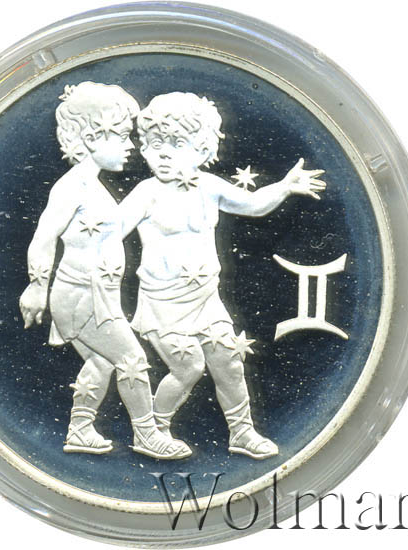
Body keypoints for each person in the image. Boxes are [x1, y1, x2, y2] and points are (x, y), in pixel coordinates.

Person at [119, 92, 326, 459]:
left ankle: (242, 432)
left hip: (204, 298)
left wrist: (284, 186)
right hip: (162, 302)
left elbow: (252, 205)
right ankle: (152, 431)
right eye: (154, 144)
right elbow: (110, 231)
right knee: (188, 366)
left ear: (201, 149)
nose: (163, 153)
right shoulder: (145, 193)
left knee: (229, 361)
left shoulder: (209, 187)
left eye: (176, 144)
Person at [19, 82, 190, 460]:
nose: (131, 146)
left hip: (96, 295)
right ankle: (146, 434)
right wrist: (36, 287)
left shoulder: (91, 185)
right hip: (82, 295)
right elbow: (43, 237)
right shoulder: (72, 187)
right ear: (93, 137)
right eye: (123, 136)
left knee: (101, 362)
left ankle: (80, 429)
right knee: (132, 360)